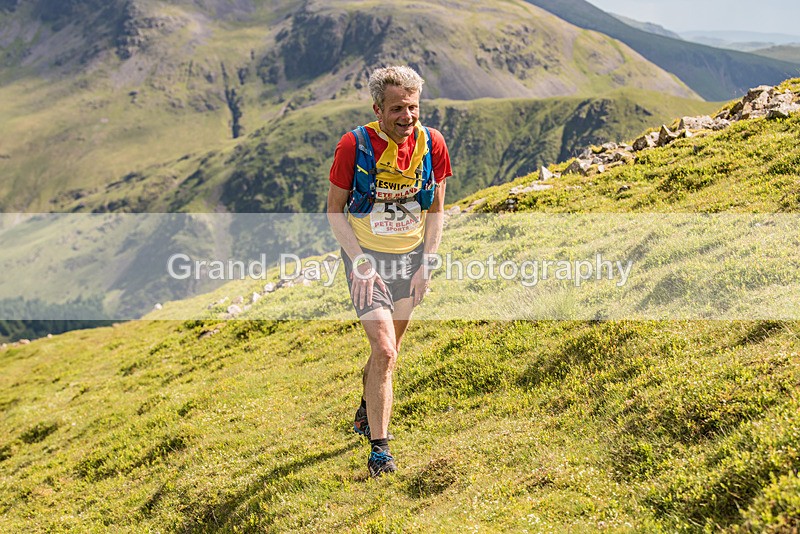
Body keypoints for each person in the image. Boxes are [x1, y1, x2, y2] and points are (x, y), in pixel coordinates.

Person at [327, 65, 452, 478]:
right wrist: (360, 263)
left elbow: (436, 211)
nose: (407, 116)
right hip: (367, 262)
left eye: (413, 107)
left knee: (389, 354)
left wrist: (428, 263)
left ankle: (366, 407)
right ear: (377, 108)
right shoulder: (354, 146)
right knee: (384, 350)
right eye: (397, 108)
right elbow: (334, 211)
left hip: (411, 260)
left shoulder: (433, 144)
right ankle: (380, 450)